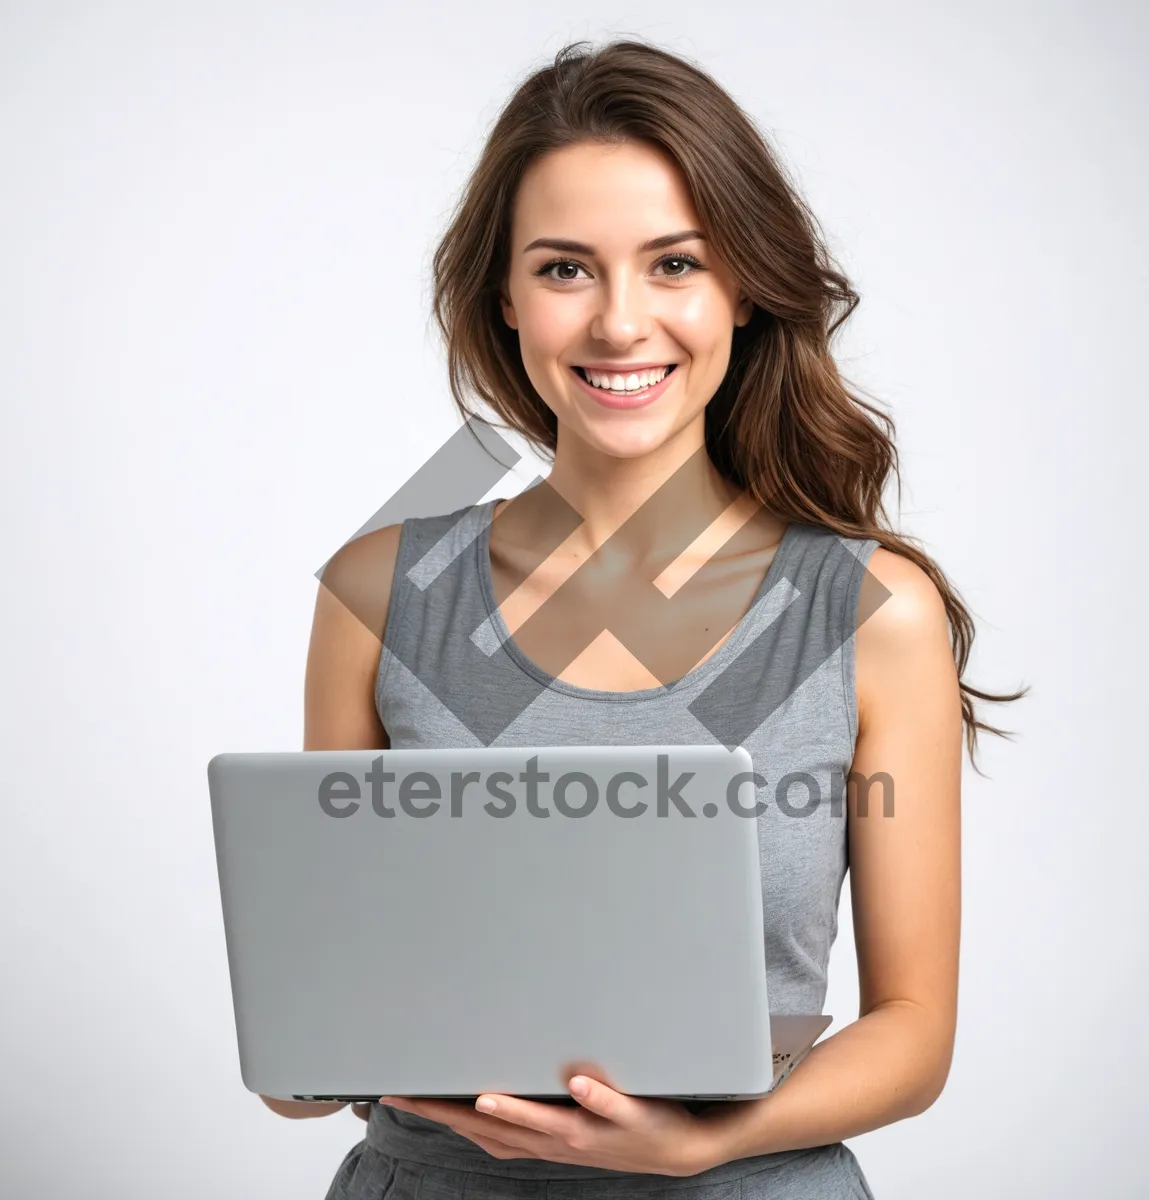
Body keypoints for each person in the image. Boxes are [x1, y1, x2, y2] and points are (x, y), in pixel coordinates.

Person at [266, 36, 1026, 1200]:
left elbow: (915, 1033)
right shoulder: (376, 595)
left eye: (674, 263)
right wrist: (308, 1050)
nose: (622, 324)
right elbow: (307, 1049)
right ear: (505, 299)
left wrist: (706, 1140)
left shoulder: (874, 614)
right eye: (566, 269)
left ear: (743, 288)